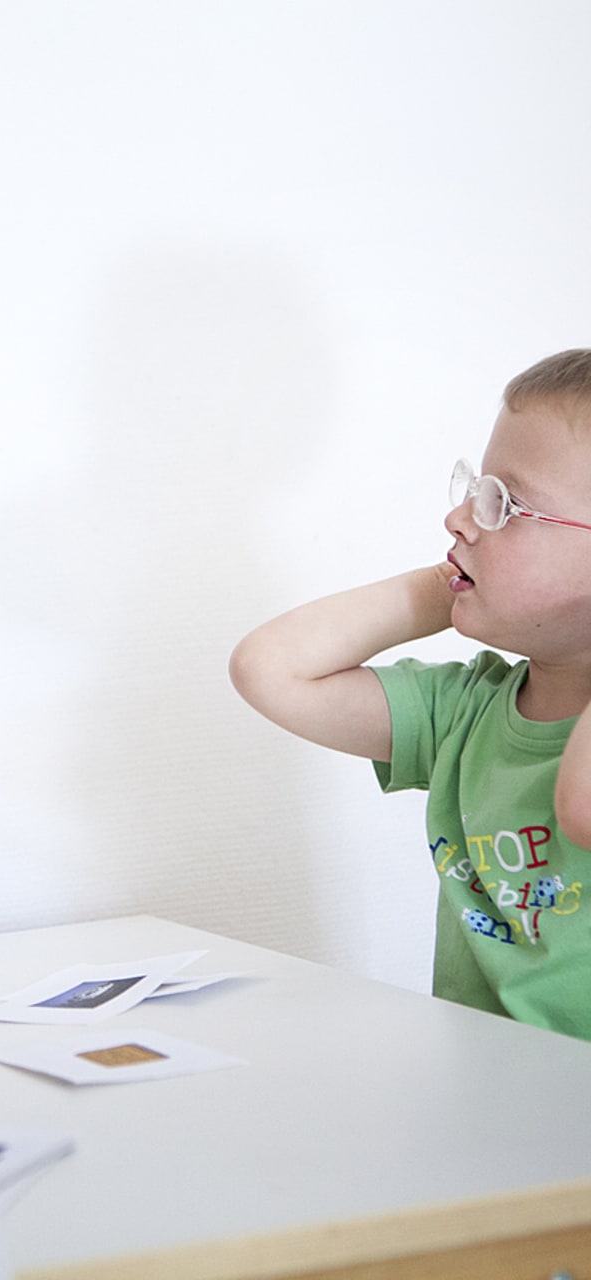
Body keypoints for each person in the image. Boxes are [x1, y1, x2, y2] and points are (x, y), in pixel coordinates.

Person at [230, 349, 591, 1041]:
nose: (458, 517)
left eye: (503, 504)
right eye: (472, 490)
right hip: (488, 1109)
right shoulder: (466, 713)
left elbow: (581, 802)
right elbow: (268, 669)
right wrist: (447, 576)